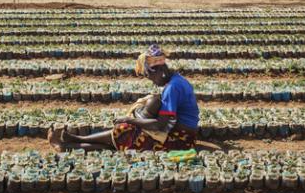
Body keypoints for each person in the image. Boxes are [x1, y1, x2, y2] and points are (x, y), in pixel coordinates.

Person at [49, 44, 199, 151]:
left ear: (159, 71)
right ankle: (74, 142)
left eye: (150, 76)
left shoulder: (172, 88)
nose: (152, 81)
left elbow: (160, 125)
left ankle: (72, 144)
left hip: (181, 140)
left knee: (125, 133)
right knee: (125, 133)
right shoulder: (176, 80)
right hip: (179, 133)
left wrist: (130, 120)